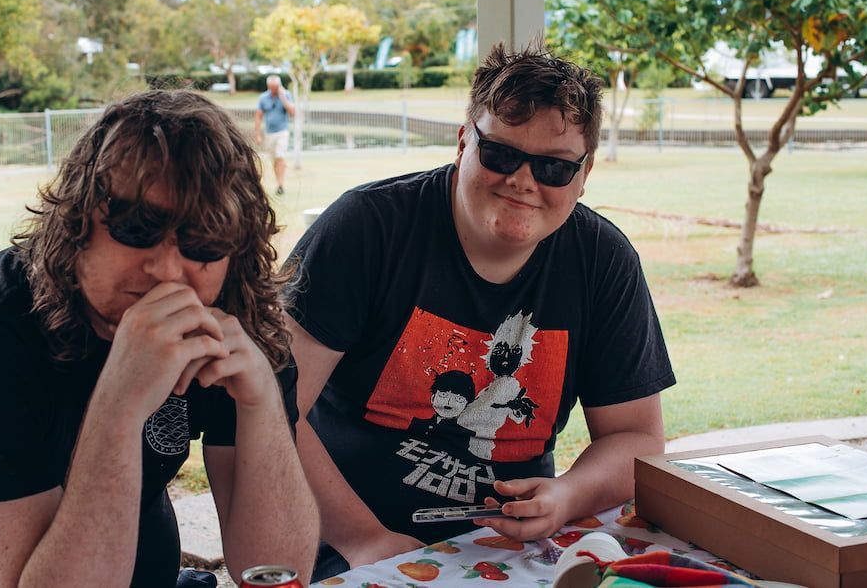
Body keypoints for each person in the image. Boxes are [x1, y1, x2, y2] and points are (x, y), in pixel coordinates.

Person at [0, 90, 319, 587]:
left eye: (205, 241)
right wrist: (119, 400)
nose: (166, 271)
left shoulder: (234, 319)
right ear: (76, 223)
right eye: (136, 227)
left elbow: (276, 572)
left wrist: (261, 400)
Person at [284, 42, 675, 580]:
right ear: (464, 141)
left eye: (554, 168)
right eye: (501, 153)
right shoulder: (366, 229)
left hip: (510, 551)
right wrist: (364, 539)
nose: (522, 180)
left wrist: (565, 496)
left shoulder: (603, 260)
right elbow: (272, 409)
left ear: (583, 177)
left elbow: (636, 437)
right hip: (345, 542)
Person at [254, 74, 295, 196]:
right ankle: (278, 183)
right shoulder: (263, 98)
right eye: (272, 87)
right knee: (274, 160)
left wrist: (282, 97)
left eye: (276, 87)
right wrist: (257, 134)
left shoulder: (286, 95)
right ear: (268, 86)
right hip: (269, 134)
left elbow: (292, 112)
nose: (274, 89)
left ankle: (281, 184)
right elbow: (258, 116)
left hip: (282, 132)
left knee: (280, 157)